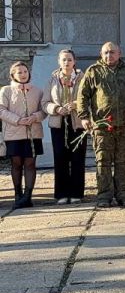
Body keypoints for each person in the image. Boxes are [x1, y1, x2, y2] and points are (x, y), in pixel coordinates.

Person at [77, 42, 125, 208]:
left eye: (112, 52)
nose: (109, 56)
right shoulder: (93, 71)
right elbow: (82, 96)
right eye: (106, 53)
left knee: (123, 162)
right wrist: (84, 117)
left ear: (120, 53)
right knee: (103, 161)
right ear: (101, 54)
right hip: (102, 127)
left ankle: (123, 194)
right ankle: (104, 196)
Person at [41, 49, 86, 204]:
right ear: (59, 62)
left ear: (74, 62)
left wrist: (76, 104)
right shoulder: (52, 80)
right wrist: (57, 109)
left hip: (77, 123)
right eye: (63, 60)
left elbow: (90, 100)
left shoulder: (82, 79)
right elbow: (44, 103)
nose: (66, 63)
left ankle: (76, 193)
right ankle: (61, 193)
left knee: (77, 158)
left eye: (69, 60)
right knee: (60, 158)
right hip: (58, 123)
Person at [1, 62, 45, 208]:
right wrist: (18, 120)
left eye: (25, 71)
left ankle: (28, 196)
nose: (23, 74)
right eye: (19, 72)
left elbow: (43, 110)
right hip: (14, 134)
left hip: (33, 133)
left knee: (30, 163)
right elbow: (2, 111)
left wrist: (35, 117)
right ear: (13, 75)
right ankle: (17, 194)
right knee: (16, 163)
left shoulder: (37, 91)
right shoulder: (6, 91)